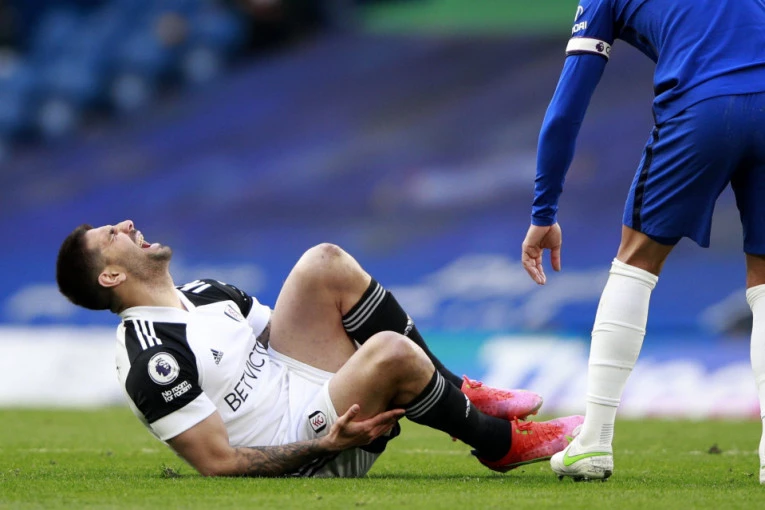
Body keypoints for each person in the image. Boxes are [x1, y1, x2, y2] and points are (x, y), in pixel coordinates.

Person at [56, 219, 583, 478]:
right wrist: (323, 444)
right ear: (111, 275)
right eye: (112, 235)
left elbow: (290, 331)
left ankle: (458, 390)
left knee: (323, 261)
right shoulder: (153, 360)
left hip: (307, 389)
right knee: (388, 352)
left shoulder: (207, 293)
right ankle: (498, 444)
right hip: (307, 448)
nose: (127, 225)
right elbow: (217, 463)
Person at [521, 0, 765, 483]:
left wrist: (543, 212)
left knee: (635, 262)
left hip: (702, 106)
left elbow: (567, 109)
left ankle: (593, 443)